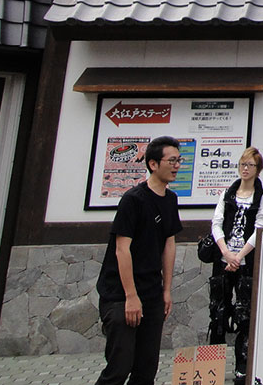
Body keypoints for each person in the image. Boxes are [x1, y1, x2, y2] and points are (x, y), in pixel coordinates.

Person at [94, 136, 183, 385]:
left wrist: (166, 290)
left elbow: (169, 243)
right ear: (153, 164)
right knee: (119, 368)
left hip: (152, 293)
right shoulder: (133, 199)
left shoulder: (170, 199)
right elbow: (122, 249)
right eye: (172, 160)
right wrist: (131, 296)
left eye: (179, 160)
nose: (177, 165)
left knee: (146, 370)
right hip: (120, 295)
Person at [208, 147, 263, 385]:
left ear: (258, 169)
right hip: (222, 261)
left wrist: (239, 256)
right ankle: (210, 368)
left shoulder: (262, 196)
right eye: (242, 164)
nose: (245, 169)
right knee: (218, 312)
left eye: (250, 165)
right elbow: (216, 223)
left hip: (246, 263)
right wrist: (225, 252)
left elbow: (260, 228)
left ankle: (242, 370)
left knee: (245, 315)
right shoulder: (228, 192)